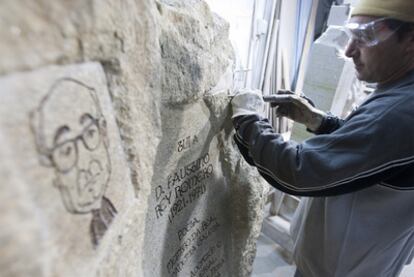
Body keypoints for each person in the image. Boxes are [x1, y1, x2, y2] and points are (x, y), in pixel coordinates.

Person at [231, 1, 414, 276]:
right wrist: (320, 121)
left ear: (410, 40)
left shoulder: (401, 111)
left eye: (363, 37)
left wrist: (247, 119)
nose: (350, 50)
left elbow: (297, 170)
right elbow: (371, 151)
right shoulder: (397, 93)